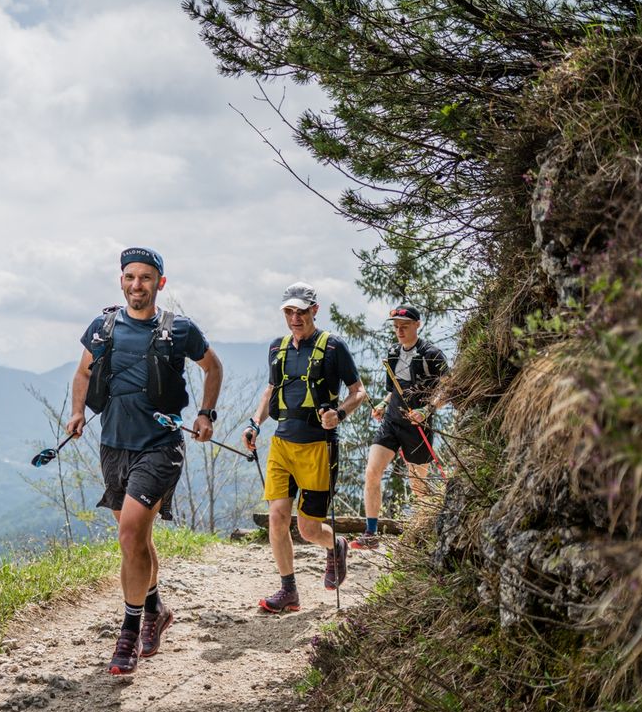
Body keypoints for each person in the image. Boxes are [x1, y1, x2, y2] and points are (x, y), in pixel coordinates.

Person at [65, 247, 223, 675]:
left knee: (130, 534)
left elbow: (213, 368)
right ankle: (156, 610)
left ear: (160, 284)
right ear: (121, 281)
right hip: (114, 446)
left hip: (160, 446)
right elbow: (83, 372)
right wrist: (78, 411)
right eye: (130, 277)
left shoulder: (180, 329)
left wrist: (206, 414)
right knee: (136, 538)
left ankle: (129, 633)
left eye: (146, 278)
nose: (138, 285)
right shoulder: (104, 327)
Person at [241, 283, 367, 612]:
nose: (295, 318)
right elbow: (271, 390)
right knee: (277, 518)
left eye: (301, 311)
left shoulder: (333, 347)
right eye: (289, 312)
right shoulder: (277, 348)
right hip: (282, 443)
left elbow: (358, 391)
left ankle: (335, 544)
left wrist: (339, 414)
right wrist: (255, 423)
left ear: (315, 309)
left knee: (308, 528)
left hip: (317, 446)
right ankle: (289, 591)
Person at [361, 304, 448, 547]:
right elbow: (393, 391)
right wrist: (381, 404)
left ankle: (424, 536)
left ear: (417, 325)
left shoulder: (432, 354)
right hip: (392, 422)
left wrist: (427, 410)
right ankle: (371, 533)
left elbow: (447, 388)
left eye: (405, 326)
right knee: (372, 472)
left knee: (418, 486)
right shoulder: (392, 353)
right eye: (396, 327)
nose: (399, 331)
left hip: (418, 425)